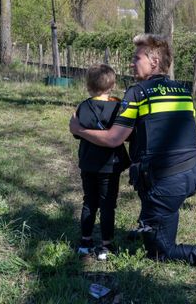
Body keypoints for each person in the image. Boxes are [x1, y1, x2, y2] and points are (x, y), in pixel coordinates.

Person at [69, 34, 196, 276]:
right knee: (158, 217)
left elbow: (115, 138)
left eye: (137, 58)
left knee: (160, 252)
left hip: (165, 185)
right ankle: (153, 222)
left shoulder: (138, 93)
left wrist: (80, 130)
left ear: (154, 62)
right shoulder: (182, 90)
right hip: (193, 174)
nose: (131, 63)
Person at [74, 64, 130, 261]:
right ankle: (106, 246)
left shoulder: (83, 106)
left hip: (88, 163)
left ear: (88, 86)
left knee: (89, 202)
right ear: (113, 85)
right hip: (110, 165)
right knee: (108, 205)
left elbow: (75, 132)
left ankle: (85, 242)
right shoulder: (119, 107)